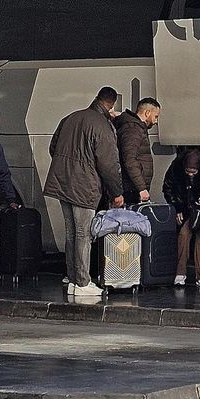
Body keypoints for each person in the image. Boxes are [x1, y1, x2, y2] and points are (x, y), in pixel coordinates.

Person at [44, 87, 125, 298]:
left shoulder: (70, 117)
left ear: (97, 98)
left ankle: (73, 280)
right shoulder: (102, 125)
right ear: (112, 104)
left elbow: (53, 147)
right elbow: (108, 164)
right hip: (84, 185)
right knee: (83, 233)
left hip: (63, 181)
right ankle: (83, 282)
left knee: (71, 233)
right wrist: (116, 192)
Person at [163, 148, 200, 287]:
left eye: (194, 172)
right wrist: (178, 208)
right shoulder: (176, 168)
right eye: (188, 171)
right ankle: (183, 272)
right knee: (184, 236)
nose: (190, 174)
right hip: (186, 208)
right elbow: (168, 188)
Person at [114, 98, 160, 205]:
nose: (156, 121)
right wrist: (141, 188)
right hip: (131, 188)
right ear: (147, 113)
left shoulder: (135, 128)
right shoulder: (133, 129)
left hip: (132, 186)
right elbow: (129, 159)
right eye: (156, 116)